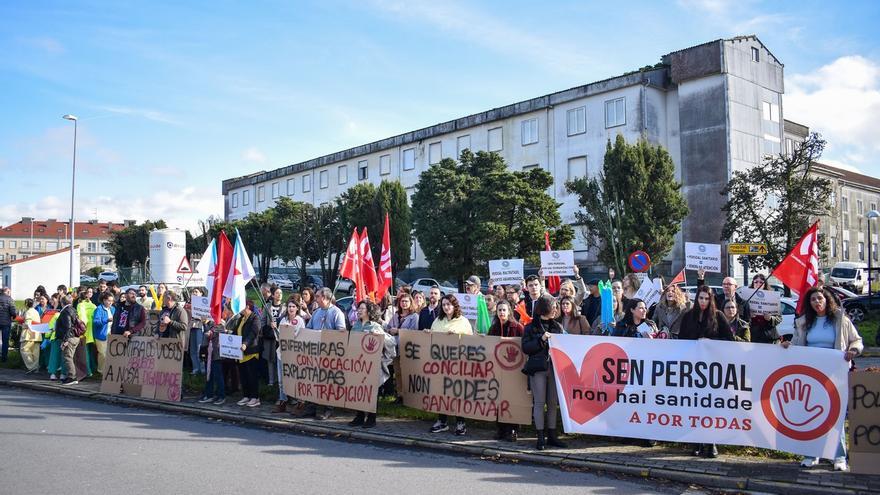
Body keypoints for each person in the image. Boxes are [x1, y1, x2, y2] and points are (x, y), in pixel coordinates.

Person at [783, 286, 863, 471]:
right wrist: (788, 345)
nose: (817, 302)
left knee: (835, 415)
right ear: (809, 304)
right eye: (813, 300)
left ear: (827, 300)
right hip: (811, 376)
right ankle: (812, 453)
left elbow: (857, 340)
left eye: (820, 298)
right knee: (811, 415)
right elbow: (796, 344)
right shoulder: (803, 323)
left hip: (835, 375)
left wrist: (853, 350)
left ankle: (839, 456)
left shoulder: (840, 320)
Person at [678, 285, 733, 458]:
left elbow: (729, 339)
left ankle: (710, 442)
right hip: (693, 368)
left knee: (710, 406)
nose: (703, 301)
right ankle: (696, 441)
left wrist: (710, 341)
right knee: (694, 405)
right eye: (701, 298)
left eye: (706, 298)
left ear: (711, 300)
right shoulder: (688, 317)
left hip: (712, 368)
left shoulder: (718, 316)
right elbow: (681, 339)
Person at [521, 295, 567, 450]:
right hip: (538, 369)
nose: (555, 309)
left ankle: (552, 436)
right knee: (539, 403)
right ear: (544, 308)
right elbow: (526, 348)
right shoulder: (530, 327)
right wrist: (541, 340)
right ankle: (540, 437)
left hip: (554, 369)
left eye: (556, 306)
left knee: (553, 403)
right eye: (553, 306)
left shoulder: (558, 327)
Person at [429, 294, 473, 436]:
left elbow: (470, 341)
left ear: (455, 306)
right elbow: (432, 339)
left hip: (458, 364)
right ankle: (442, 421)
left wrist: (457, 336)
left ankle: (461, 422)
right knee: (442, 392)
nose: (446, 307)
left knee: (457, 392)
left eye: (449, 304)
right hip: (441, 364)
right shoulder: (438, 321)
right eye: (444, 305)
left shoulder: (463, 321)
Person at [349, 301, 396, 428]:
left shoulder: (375, 326)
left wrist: (380, 336)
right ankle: (359, 416)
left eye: (362, 308)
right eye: (358, 308)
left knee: (370, 391)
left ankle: (371, 418)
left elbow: (390, 341)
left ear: (369, 311)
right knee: (358, 390)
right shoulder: (356, 325)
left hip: (371, 365)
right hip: (358, 364)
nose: (359, 310)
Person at [302, 288, 346, 420]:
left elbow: (342, 332)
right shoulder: (316, 312)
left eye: (318, 297)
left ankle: (328, 409)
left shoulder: (337, 312)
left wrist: (326, 335)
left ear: (326, 298)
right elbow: (309, 328)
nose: (315, 299)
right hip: (315, 352)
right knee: (313, 380)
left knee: (328, 382)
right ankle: (311, 408)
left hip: (330, 354)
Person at [488, 300, 524, 442]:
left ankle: (513, 429)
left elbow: (523, 346)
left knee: (512, 400)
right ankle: (501, 429)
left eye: (504, 310)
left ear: (509, 311)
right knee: (499, 399)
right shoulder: (494, 327)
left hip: (514, 371)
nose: (501, 313)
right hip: (498, 371)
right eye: (499, 310)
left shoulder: (518, 327)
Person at [271, 295, 306, 413]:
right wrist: (274, 329)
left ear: (297, 308)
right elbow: (278, 337)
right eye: (289, 306)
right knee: (281, 379)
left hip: (295, 354)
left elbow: (301, 336)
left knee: (295, 379)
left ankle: (300, 402)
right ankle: (283, 400)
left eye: (293, 306)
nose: (291, 308)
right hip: (282, 353)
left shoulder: (300, 321)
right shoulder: (284, 320)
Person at [234, 301, 263, 408]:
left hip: (251, 352)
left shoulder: (255, 318)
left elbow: (253, 333)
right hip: (241, 353)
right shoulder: (241, 319)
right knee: (244, 376)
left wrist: (245, 344)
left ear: (247, 306)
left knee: (252, 376)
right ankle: (246, 396)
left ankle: (255, 398)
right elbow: (236, 331)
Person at [198, 316, 228, 405]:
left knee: (218, 375)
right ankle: (209, 394)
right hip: (208, 352)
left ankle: (221, 396)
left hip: (216, 353)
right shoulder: (208, 323)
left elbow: (211, 334)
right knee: (209, 375)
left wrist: (206, 324)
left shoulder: (220, 323)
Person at [55, 295, 83, 385]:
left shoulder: (65, 311)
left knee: (67, 357)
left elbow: (68, 326)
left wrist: (65, 340)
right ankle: (70, 376)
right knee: (70, 357)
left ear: (62, 302)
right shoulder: (73, 309)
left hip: (70, 337)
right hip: (75, 337)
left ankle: (72, 377)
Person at [748, 274, 782, 344]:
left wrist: (770, 318)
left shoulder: (773, 298)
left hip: (769, 338)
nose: (758, 284)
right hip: (752, 337)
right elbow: (740, 317)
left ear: (765, 284)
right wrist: (748, 316)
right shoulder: (746, 297)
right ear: (753, 283)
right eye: (756, 282)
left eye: (761, 282)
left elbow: (779, 318)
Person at [261, 285, 283, 387]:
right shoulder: (267, 306)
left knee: (279, 359)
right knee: (270, 359)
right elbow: (263, 321)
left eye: (281, 293)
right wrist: (266, 327)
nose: (279, 295)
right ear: (273, 295)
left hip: (281, 337)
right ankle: (271, 381)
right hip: (270, 337)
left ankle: (280, 381)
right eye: (277, 293)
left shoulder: (285, 307)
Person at [92, 292, 115, 374]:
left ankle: (107, 370)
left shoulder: (112, 309)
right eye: (109, 301)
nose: (110, 303)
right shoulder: (99, 309)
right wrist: (107, 320)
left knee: (109, 354)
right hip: (101, 335)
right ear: (104, 300)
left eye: (112, 301)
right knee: (103, 354)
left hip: (111, 334)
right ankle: (101, 370)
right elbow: (96, 322)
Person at [187, 288, 207, 375]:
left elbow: (207, 317)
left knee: (199, 348)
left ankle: (202, 369)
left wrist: (201, 317)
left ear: (201, 293)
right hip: (191, 327)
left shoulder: (204, 302)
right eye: (193, 291)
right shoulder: (188, 303)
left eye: (196, 292)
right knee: (192, 349)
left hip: (200, 326)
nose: (194, 293)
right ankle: (195, 368)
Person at [20, 298, 42, 373]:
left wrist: (22, 324)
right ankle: (35, 367)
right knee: (35, 352)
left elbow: (28, 324)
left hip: (29, 334)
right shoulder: (36, 311)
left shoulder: (28, 312)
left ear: (26, 304)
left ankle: (31, 366)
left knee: (24, 350)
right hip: (37, 334)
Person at [0, 287, 16, 362]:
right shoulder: (10, 299)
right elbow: (13, 311)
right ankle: (4, 358)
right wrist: (14, 316)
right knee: (5, 340)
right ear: (8, 291)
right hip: (6, 322)